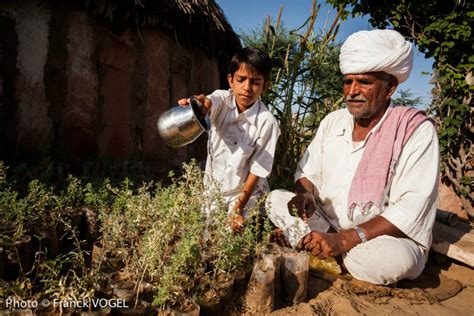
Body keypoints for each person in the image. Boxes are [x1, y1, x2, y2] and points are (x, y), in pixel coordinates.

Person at [267, 29, 439, 285]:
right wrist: (305, 194)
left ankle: (321, 248)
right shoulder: (333, 122)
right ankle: (323, 247)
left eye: (364, 82)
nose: (352, 91)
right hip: (327, 223)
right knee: (274, 199)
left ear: (390, 87)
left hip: (380, 237)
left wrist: (344, 240)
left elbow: (410, 209)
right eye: (348, 82)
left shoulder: (415, 130)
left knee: (394, 261)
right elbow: (307, 173)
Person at [178, 47, 280, 232]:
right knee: (205, 238)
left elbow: (257, 172)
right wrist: (199, 105)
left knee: (232, 241)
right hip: (214, 193)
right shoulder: (222, 100)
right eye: (241, 80)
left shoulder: (267, 123)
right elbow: (209, 102)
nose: (247, 88)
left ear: (265, 86)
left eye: (255, 82)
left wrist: (237, 209)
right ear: (230, 80)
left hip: (245, 196)